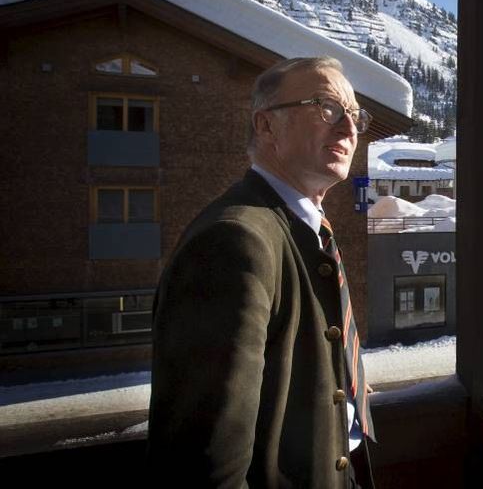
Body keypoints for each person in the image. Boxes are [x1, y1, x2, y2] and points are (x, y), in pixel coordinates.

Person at [148, 56, 376, 488]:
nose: (348, 129)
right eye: (327, 107)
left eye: (354, 115)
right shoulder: (234, 242)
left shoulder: (302, 226)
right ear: (266, 125)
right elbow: (205, 462)